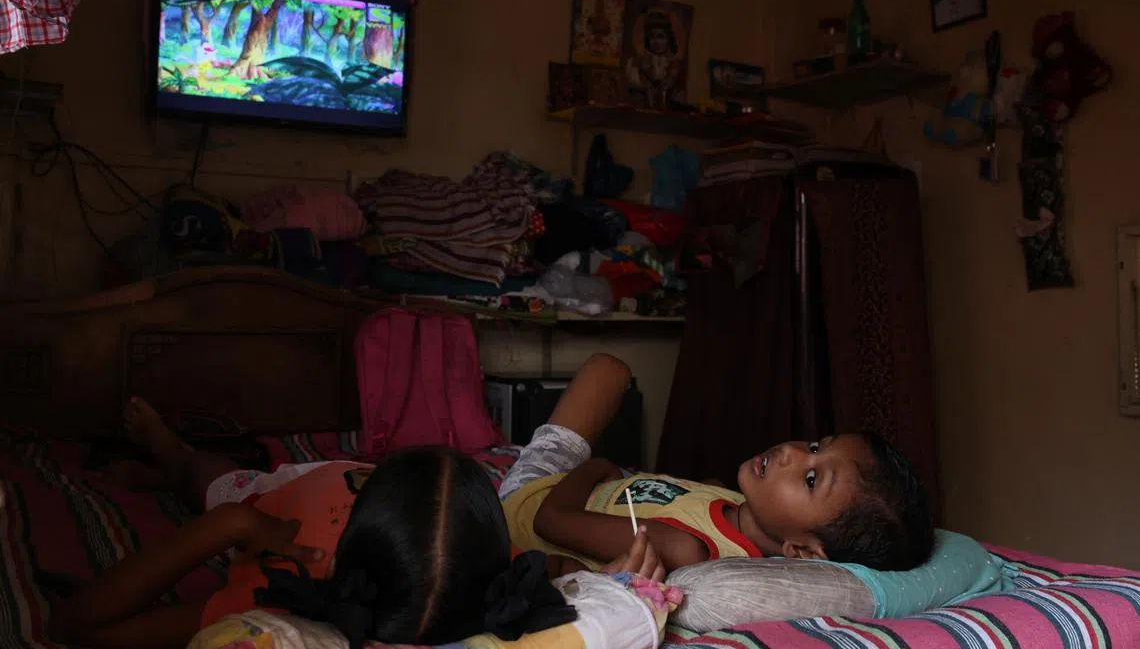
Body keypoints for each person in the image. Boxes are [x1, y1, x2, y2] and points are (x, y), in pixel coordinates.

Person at [51, 398, 665, 649]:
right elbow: (555, 574)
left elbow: (74, 626)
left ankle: (173, 458)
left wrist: (233, 525)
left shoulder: (284, 573)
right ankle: (171, 463)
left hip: (278, 496)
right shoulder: (482, 574)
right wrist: (608, 583)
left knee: (209, 479)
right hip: (362, 485)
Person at [501, 354, 935, 574]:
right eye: (818, 446)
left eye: (809, 477)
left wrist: (600, 466)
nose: (793, 451)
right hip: (575, 489)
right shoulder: (744, 513)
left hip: (526, 500)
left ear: (801, 551)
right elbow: (697, 496)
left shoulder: (685, 550)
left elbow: (550, 521)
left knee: (605, 370)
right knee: (611, 372)